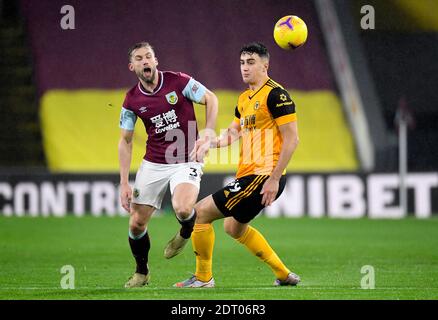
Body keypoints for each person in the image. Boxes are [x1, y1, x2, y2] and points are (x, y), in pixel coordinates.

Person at [174, 42, 300, 288]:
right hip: (250, 175)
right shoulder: (244, 99)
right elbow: (232, 133)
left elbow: (292, 139)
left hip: (263, 176)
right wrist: (211, 143)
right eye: (242, 62)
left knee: (200, 213)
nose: (245, 68)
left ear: (265, 65)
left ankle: (203, 278)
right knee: (233, 228)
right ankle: (284, 275)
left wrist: (274, 178)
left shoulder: (277, 95)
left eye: (251, 62)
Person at [118, 42, 218, 288]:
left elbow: (210, 99)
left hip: (186, 158)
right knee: (136, 223)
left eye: (149, 56)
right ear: (133, 66)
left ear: (156, 60)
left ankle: (184, 232)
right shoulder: (131, 100)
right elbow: (125, 141)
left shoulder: (178, 81)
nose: (145, 61)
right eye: (139, 58)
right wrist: (123, 183)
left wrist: (207, 131)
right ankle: (142, 272)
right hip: (153, 162)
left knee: (183, 209)